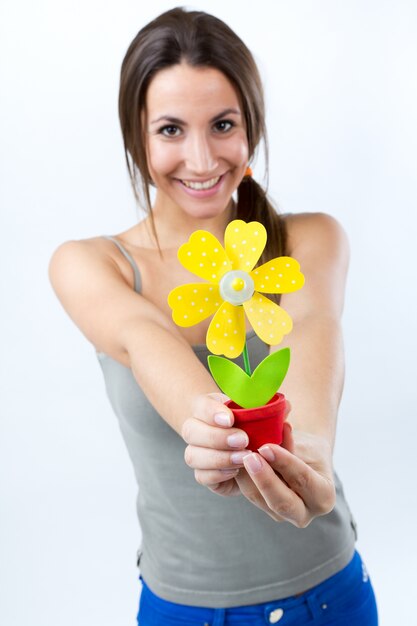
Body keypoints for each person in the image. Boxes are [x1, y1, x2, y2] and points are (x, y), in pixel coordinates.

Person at [49, 7, 378, 625]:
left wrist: (305, 451)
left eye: (222, 124)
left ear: (251, 127)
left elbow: (311, 329)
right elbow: (145, 338)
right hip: (183, 608)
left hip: (333, 597)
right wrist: (213, 428)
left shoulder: (312, 240)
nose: (201, 160)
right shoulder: (94, 264)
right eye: (171, 130)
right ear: (135, 136)